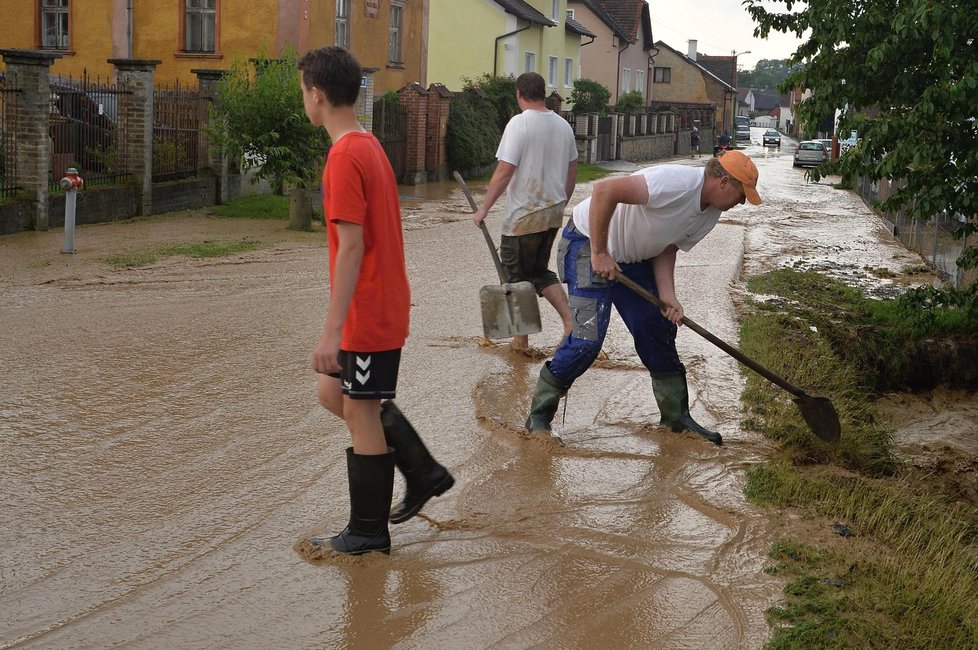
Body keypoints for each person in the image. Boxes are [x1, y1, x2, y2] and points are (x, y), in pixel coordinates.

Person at [299, 46, 454, 556]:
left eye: (304, 91)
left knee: (360, 410)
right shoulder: (366, 145)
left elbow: (351, 247)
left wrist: (331, 330)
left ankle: (367, 533)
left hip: (368, 309)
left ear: (316, 95)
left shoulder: (345, 155)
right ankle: (423, 470)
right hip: (380, 301)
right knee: (332, 394)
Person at [524, 150, 762, 446]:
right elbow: (604, 190)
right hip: (586, 244)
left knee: (657, 329)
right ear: (724, 181)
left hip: (634, 260)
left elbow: (666, 248)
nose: (741, 203)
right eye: (742, 195)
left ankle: (676, 419)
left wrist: (668, 296)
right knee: (587, 340)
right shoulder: (674, 183)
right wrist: (600, 252)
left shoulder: (710, 214)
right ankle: (538, 418)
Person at [473, 71, 579, 350]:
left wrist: (483, 208)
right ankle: (570, 324)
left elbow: (505, 170)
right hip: (552, 213)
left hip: (523, 216)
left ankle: (521, 344)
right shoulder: (563, 126)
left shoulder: (519, 124)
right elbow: (572, 171)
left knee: (514, 277)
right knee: (539, 272)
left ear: (519, 93)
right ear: (543, 94)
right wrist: (560, 203)